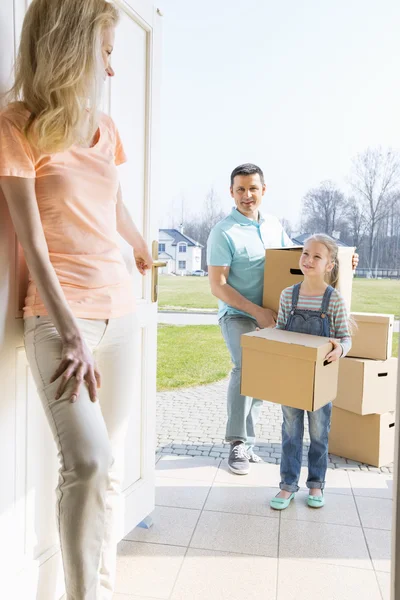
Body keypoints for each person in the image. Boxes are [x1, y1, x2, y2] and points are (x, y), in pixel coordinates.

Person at [0, 1, 153, 597]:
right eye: (106, 52)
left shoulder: (105, 127)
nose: (110, 70)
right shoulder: (17, 124)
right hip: (62, 319)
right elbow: (31, 238)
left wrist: (138, 244)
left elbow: (111, 204)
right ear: (70, 45)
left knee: (107, 471)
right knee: (85, 462)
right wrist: (68, 330)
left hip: (121, 312)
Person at [207, 163, 359, 476]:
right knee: (245, 366)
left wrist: (342, 259)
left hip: (276, 314)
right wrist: (257, 312)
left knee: (265, 374)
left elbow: (300, 257)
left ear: (263, 190)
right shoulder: (223, 232)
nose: (247, 195)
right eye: (240, 189)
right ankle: (236, 442)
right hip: (238, 314)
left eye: (253, 188)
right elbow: (218, 285)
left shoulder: (275, 225)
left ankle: (248, 445)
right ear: (231, 192)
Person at [270, 234, 352, 510]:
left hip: (320, 381)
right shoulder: (288, 295)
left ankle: (316, 484)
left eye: (317, 256)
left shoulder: (333, 300)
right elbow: (281, 330)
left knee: (319, 433)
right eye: (305, 253)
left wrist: (340, 350)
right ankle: (287, 485)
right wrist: (267, 336)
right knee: (291, 432)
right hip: (292, 377)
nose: (308, 260)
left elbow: (345, 338)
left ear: (329, 265)